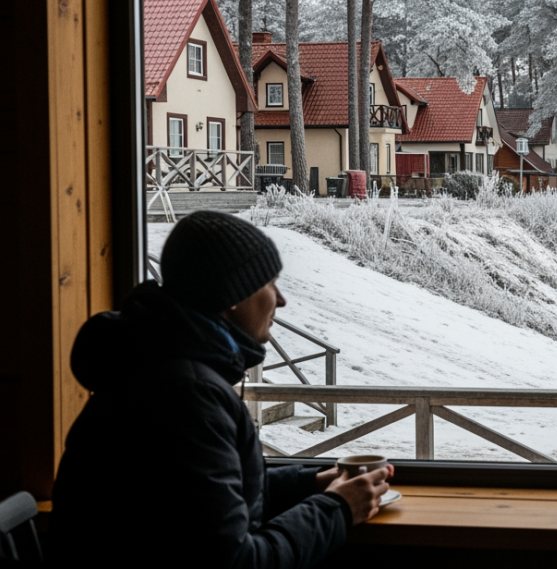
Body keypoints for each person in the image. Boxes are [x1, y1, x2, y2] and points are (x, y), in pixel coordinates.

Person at [52, 211, 392, 568]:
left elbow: (210, 498)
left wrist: (311, 484)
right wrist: (338, 508)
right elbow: (237, 562)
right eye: (270, 283)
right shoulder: (188, 396)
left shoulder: (158, 371)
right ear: (233, 294)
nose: (281, 299)